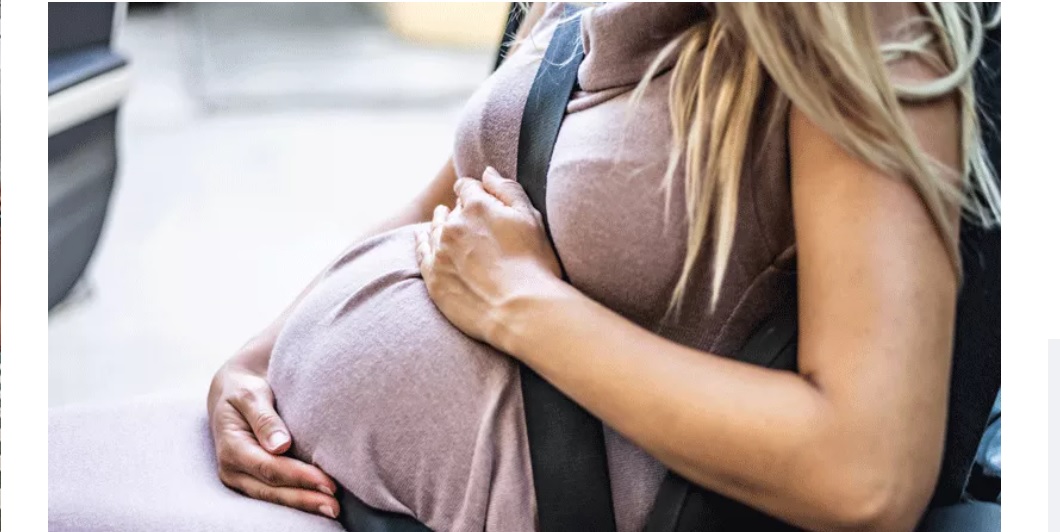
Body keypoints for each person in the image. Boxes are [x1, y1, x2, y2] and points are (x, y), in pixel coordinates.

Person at [49, 3, 1000, 532]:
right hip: (331, 483)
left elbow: (864, 472)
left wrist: (524, 308)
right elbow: (443, 204)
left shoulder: (854, 25)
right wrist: (255, 361)